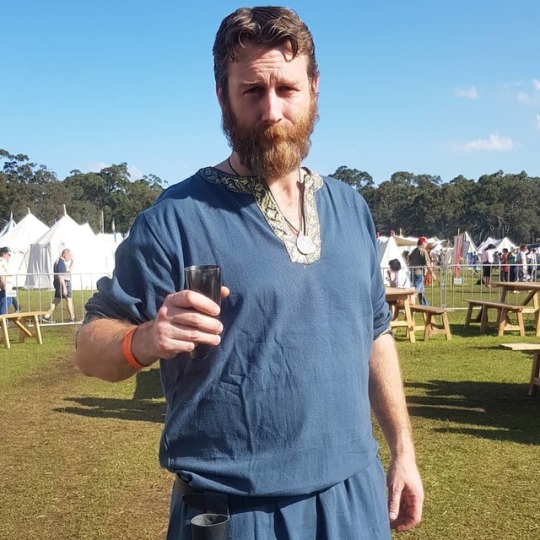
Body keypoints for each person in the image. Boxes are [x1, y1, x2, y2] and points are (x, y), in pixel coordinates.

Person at [75, 7, 423, 539]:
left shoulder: (351, 208)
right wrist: (144, 339)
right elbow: (88, 346)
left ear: (314, 89)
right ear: (222, 96)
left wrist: (403, 450)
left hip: (353, 498)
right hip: (235, 512)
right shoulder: (175, 220)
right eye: (252, 91)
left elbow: (376, 334)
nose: (272, 110)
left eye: (287, 89)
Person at [43, 248, 76, 322]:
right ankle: (72, 317)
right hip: (63, 282)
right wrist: (64, 287)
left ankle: (46, 316)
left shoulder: (59, 261)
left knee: (57, 300)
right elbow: (60, 275)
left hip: (59, 282)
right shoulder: (60, 262)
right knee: (68, 299)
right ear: (65, 255)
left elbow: (68, 270)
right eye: (69, 255)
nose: (69, 257)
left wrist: (72, 262)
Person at [408, 236, 435, 305]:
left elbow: (409, 258)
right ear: (423, 243)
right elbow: (428, 264)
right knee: (415, 291)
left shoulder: (414, 250)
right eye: (426, 243)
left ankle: (425, 305)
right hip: (419, 274)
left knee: (420, 291)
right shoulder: (423, 251)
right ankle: (409, 303)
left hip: (412, 273)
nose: (426, 244)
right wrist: (433, 275)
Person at [0, 246, 15, 315]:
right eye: (9, 254)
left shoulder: (4, 262)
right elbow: (1, 275)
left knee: (9, 301)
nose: (9, 256)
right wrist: (4, 286)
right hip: (5, 287)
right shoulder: (1, 262)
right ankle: (2, 319)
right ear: (4, 254)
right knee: (5, 303)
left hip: (8, 287)